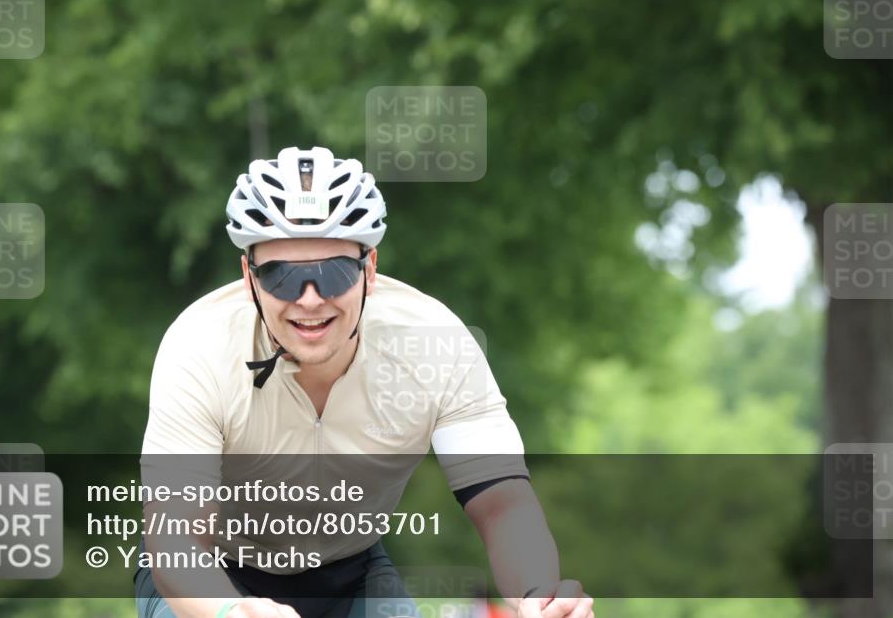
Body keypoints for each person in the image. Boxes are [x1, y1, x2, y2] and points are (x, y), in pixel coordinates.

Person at [135, 147, 594, 618]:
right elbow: (177, 536)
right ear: (248, 278)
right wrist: (232, 612)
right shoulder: (199, 346)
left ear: (369, 269)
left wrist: (540, 595)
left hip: (350, 571)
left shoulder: (433, 343)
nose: (309, 300)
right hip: (209, 569)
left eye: (333, 273)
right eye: (280, 276)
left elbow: (501, 502)